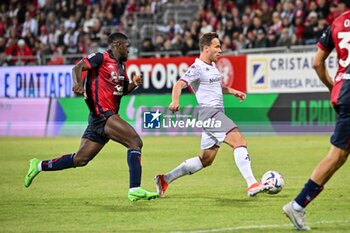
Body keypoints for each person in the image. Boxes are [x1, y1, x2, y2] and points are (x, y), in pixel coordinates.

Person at [24, 32, 159, 202]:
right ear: (117, 45)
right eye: (127, 46)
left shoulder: (121, 67)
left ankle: (38, 165)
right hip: (103, 114)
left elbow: (122, 91)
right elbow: (77, 67)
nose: (129, 51)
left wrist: (134, 84)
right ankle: (135, 189)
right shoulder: (100, 58)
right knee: (135, 142)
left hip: (100, 119)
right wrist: (78, 84)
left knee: (80, 159)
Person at [154, 32, 272, 198]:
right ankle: (252, 184)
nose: (220, 50)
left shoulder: (212, 66)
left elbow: (216, 86)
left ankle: (165, 179)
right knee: (239, 140)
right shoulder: (197, 68)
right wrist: (175, 101)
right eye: (217, 46)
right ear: (206, 48)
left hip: (214, 114)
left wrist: (232, 91)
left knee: (207, 159)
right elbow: (179, 84)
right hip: (210, 113)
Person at [283, 1, 350, 230]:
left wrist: (333, 86)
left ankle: (298, 205)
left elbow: (316, 62)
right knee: (337, 154)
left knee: (340, 156)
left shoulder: (337, 23)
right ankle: (298, 205)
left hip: (343, 93)